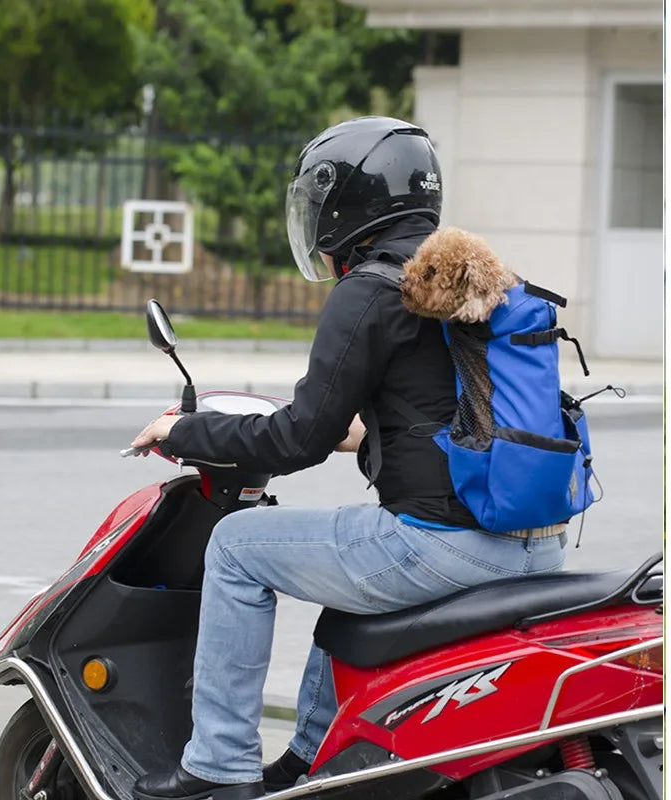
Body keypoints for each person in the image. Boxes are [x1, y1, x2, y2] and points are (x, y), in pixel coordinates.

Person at [131, 117, 566, 800]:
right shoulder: (463, 282)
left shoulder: (371, 290)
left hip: (447, 545)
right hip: (537, 545)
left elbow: (293, 440)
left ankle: (217, 766)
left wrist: (180, 431)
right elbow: (460, 413)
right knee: (333, 546)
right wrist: (369, 439)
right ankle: (309, 760)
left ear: (350, 203)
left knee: (240, 546)